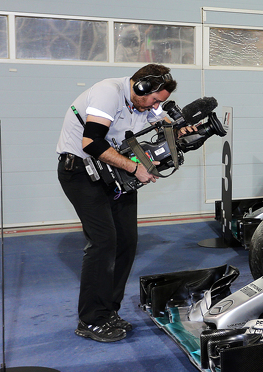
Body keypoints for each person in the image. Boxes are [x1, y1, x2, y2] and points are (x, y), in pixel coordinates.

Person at [56, 64, 177, 343]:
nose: (155, 106)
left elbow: (166, 124)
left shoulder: (147, 105)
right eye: (155, 99)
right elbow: (92, 143)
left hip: (113, 175)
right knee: (103, 242)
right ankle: (91, 320)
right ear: (141, 86)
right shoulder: (108, 92)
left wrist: (180, 131)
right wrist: (135, 169)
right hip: (80, 173)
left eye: (161, 102)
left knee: (126, 241)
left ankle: (108, 311)